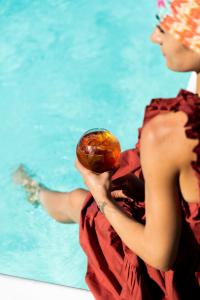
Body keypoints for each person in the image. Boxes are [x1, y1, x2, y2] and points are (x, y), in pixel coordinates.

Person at [13, 0, 200, 299]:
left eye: (163, 26)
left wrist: (100, 195)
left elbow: (160, 254)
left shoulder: (169, 133)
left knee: (81, 202)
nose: (155, 36)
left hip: (183, 280)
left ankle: (31, 189)